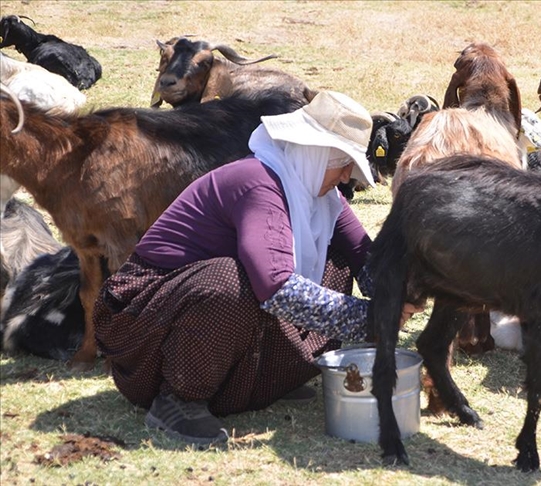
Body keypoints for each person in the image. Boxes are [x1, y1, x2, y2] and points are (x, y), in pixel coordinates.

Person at [94, 91, 417, 446]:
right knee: (229, 281)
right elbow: (276, 286)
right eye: (342, 164)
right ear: (315, 152)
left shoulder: (321, 197)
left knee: (334, 263)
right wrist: (371, 317)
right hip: (144, 330)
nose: (345, 178)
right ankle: (177, 400)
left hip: (201, 324)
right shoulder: (257, 182)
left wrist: (401, 293)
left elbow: (362, 255)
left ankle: (262, 379)